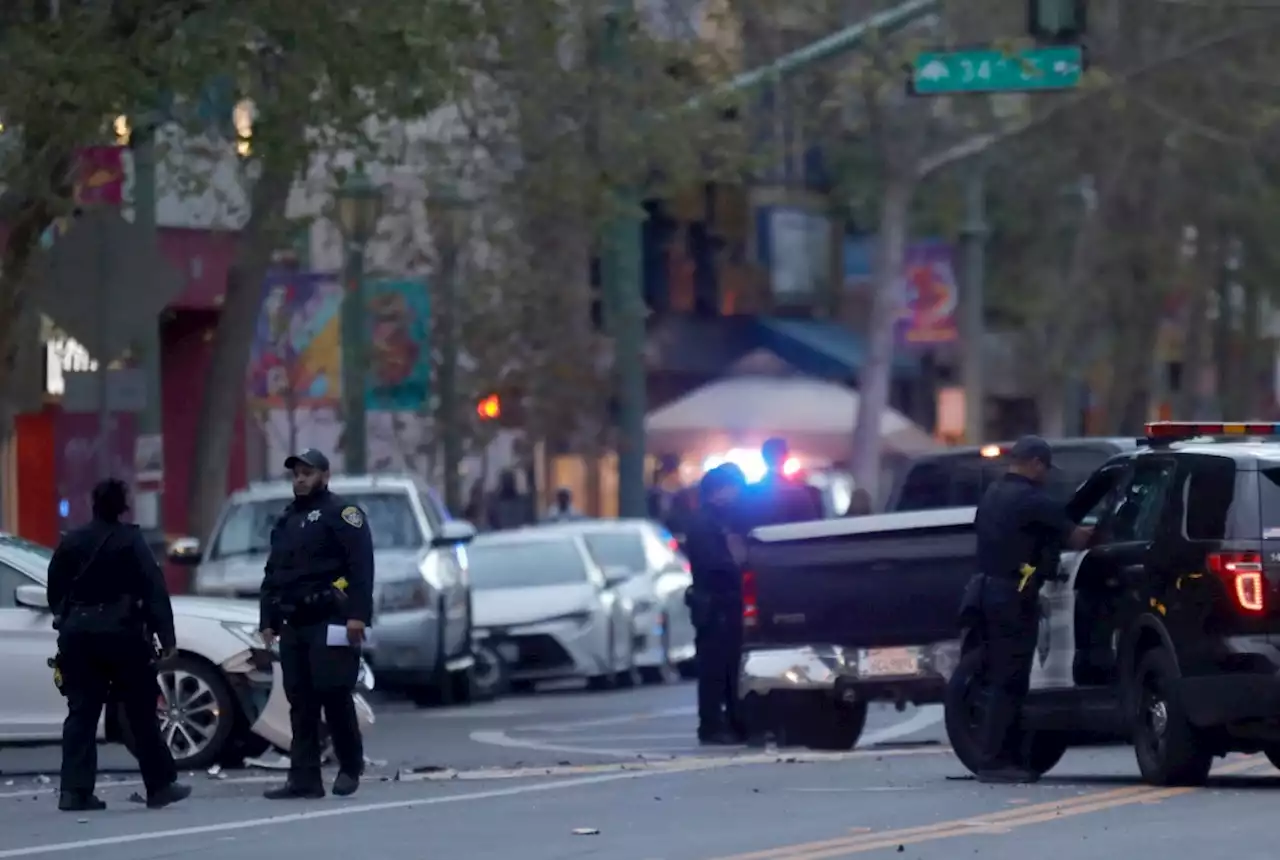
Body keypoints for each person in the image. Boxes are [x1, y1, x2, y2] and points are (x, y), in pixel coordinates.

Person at [47, 479, 191, 812]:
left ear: (92, 504)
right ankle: (159, 785)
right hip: (124, 635)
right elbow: (154, 590)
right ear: (123, 506)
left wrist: (67, 618)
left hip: (79, 636)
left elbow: (56, 587)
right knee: (140, 712)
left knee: (81, 714)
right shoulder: (132, 541)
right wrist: (166, 638)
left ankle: (74, 791)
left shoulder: (73, 541)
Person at [970, 435, 1093, 784]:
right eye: (1046, 468)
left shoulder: (992, 496)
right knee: (1011, 680)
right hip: (1012, 597)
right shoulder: (1033, 500)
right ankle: (997, 762)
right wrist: (1103, 530)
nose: (1047, 476)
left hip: (984, 592)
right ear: (1036, 463)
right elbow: (1078, 540)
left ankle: (997, 757)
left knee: (996, 678)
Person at [259, 449, 375, 800]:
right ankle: (305, 778)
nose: (299, 479)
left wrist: (358, 615)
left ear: (324, 475)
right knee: (300, 703)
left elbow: (361, 568)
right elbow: (273, 573)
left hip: (331, 618)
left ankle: (350, 765)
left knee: (334, 694)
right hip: (295, 623)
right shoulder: (287, 520)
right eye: (296, 474)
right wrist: (268, 618)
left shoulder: (343, 514)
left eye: (307, 473)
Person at [684, 463, 748, 744]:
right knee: (715, 667)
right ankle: (711, 724)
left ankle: (734, 720)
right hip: (715, 603)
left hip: (727, 603)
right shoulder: (703, 523)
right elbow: (713, 564)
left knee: (732, 666)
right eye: (732, 488)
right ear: (717, 491)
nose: (736, 495)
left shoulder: (724, 520)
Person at [740, 438, 823, 529]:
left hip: (760, 543)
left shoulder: (750, 492)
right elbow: (810, 528)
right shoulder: (800, 492)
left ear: (763, 458)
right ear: (786, 457)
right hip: (794, 542)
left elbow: (744, 527)